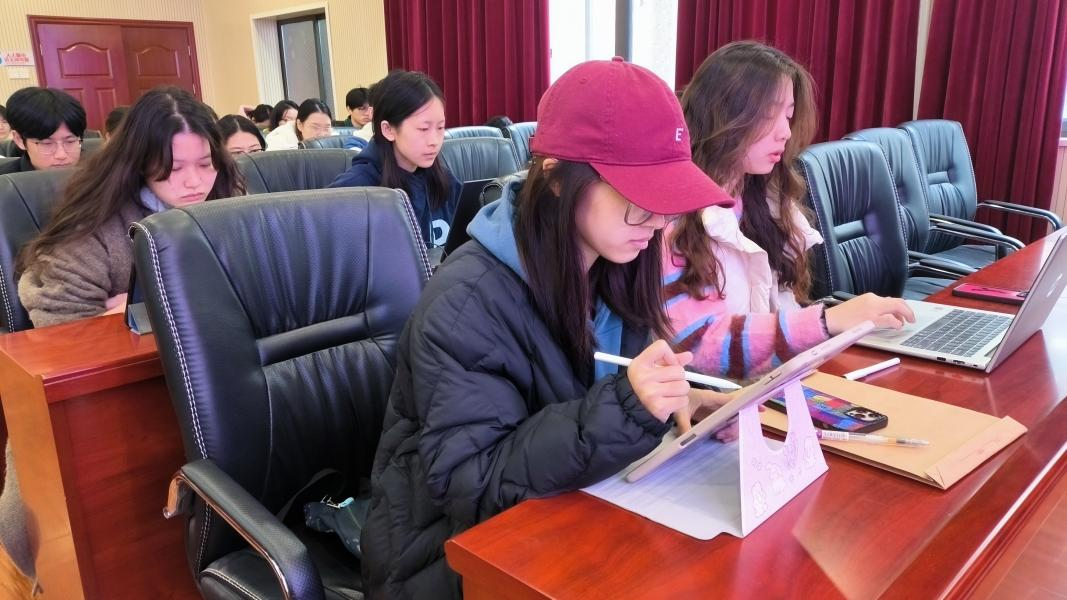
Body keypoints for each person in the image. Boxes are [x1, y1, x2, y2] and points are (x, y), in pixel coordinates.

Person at [362, 58, 737, 599]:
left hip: (568, 522)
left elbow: (601, 394)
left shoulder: (615, 264)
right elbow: (472, 482)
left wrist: (680, 402)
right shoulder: (468, 302)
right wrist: (627, 409)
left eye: (666, 203)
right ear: (559, 178)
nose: (657, 222)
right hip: (448, 558)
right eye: (639, 201)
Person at [664, 41, 914, 381]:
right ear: (724, 114)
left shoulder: (763, 198)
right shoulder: (673, 218)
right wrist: (826, 321)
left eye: (788, 116)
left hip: (768, 385)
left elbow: (781, 311)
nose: (785, 132)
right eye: (770, 114)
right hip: (712, 400)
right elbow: (701, 347)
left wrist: (837, 329)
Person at [16, 86, 244, 328]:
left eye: (205, 164)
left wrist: (146, 307)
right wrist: (142, 314)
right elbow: (60, 327)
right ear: (141, 163)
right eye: (174, 168)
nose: (194, 182)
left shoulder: (229, 199)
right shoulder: (94, 226)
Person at [329, 71, 461, 248]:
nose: (434, 141)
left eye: (440, 128)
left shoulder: (444, 179)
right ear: (388, 130)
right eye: (423, 129)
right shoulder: (355, 192)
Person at [0, 87, 86, 175]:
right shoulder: (4, 179)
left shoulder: (92, 172)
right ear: (19, 140)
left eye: (70, 141)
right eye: (47, 143)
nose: (61, 155)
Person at [264, 98, 333, 150]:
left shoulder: (335, 141)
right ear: (299, 124)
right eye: (315, 127)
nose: (322, 134)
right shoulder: (279, 143)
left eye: (327, 128)